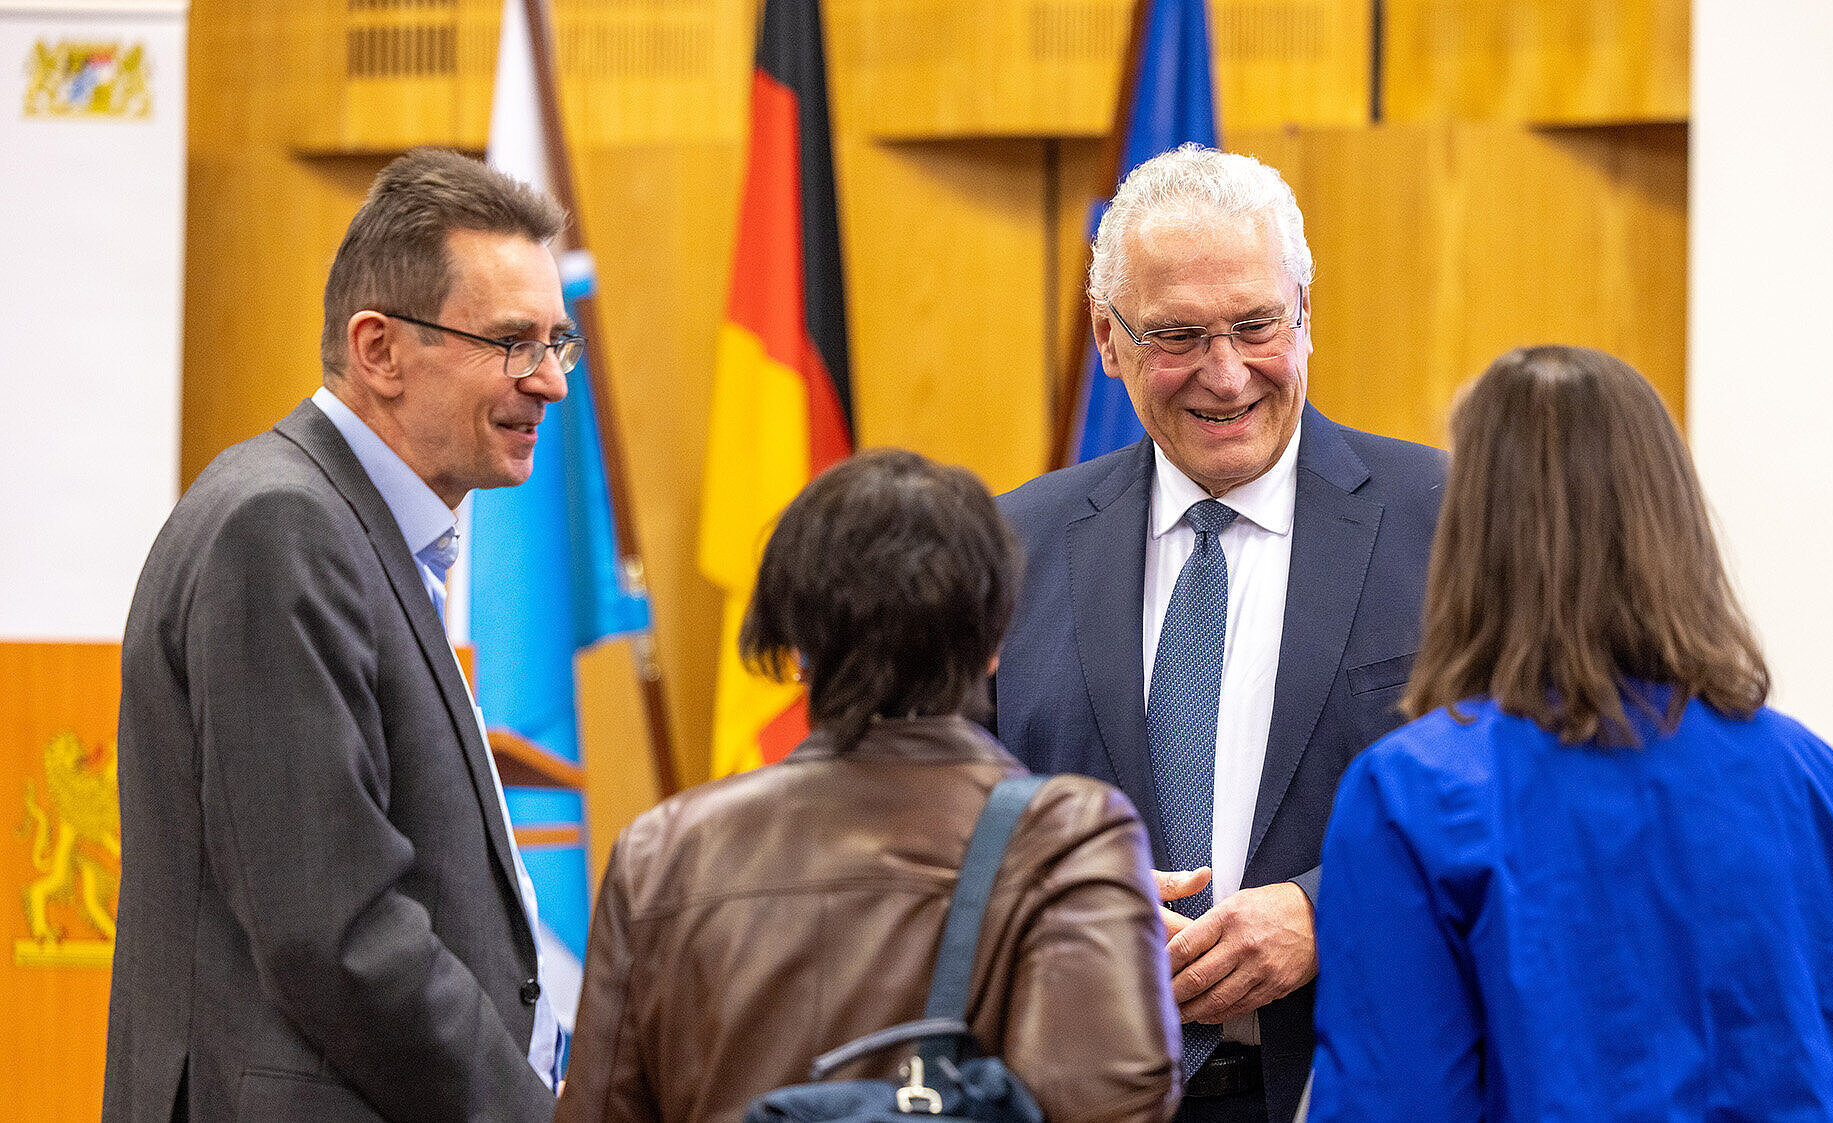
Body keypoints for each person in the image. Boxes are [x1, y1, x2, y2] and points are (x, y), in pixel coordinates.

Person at [1306, 345, 1833, 1121]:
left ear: (1473, 534)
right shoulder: (1820, 782)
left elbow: (1394, 1100)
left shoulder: (1414, 795)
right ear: (1672, 516)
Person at [106, 147, 579, 1121]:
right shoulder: (281, 527)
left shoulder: (351, 523)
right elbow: (336, 931)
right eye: (511, 343)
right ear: (379, 350)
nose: (551, 384)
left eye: (556, 343)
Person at [993, 144, 1446, 1122]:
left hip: (1351, 1085)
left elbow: (1522, 806)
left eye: (1254, 325)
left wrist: (1331, 912)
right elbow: (944, 815)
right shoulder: (1009, 546)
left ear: (1306, 317)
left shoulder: (1447, 524)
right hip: (1076, 1088)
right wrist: (1060, 902)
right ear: (1106, 340)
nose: (1227, 373)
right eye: (1178, 335)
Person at [556, 449, 1181, 1123]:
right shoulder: (1071, 837)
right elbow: (1114, 1103)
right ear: (995, 638)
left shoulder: (660, 852)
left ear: (796, 648)